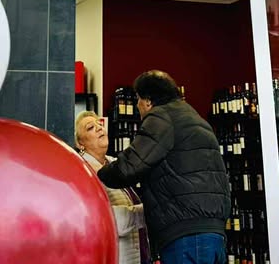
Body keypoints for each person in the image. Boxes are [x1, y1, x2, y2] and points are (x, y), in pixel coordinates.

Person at [98, 71, 230, 264]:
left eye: (138, 99)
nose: (137, 105)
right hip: (213, 233)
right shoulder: (195, 118)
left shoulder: (161, 117)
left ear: (148, 101)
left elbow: (129, 166)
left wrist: (95, 175)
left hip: (185, 234)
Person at [75, 111, 148, 264]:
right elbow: (107, 220)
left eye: (99, 124)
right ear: (80, 144)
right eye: (90, 127)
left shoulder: (115, 164)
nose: (99, 128)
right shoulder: (83, 172)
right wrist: (146, 212)